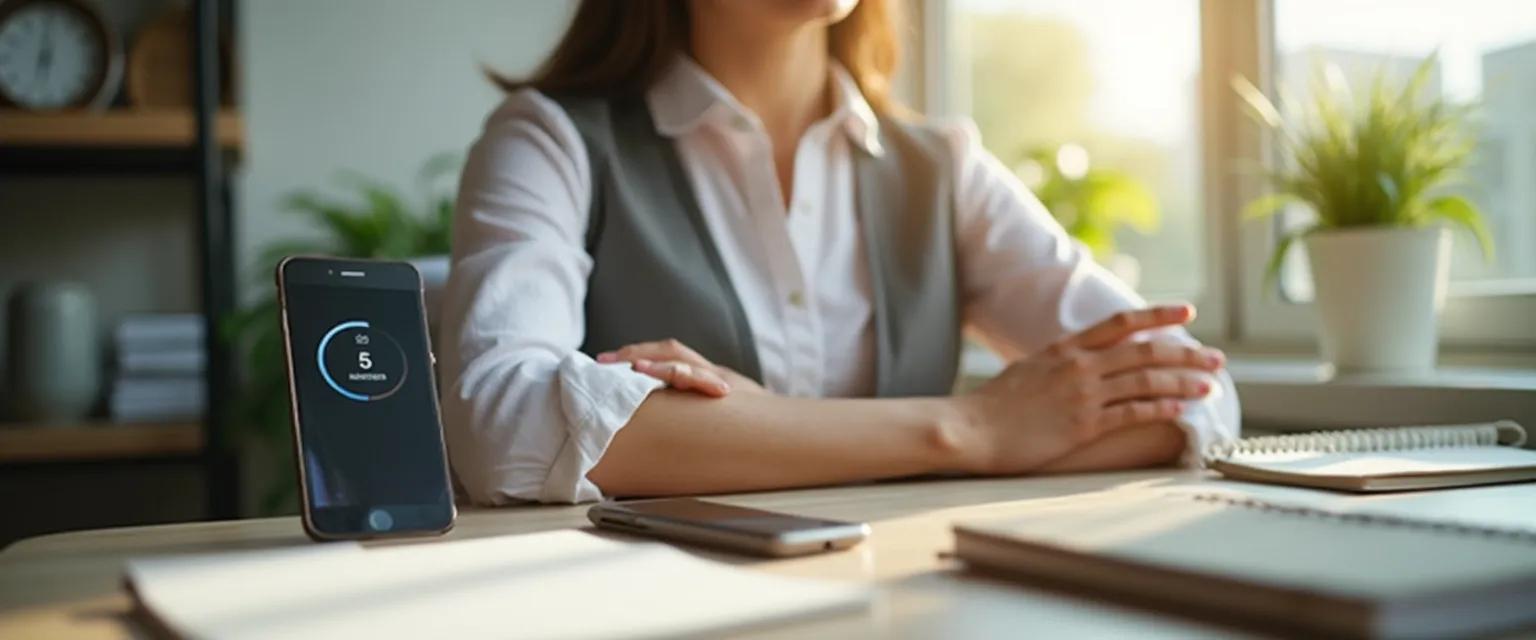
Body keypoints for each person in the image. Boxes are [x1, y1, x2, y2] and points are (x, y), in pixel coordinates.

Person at [441, 0, 1239, 505]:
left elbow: (1195, 396)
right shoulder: (549, 139)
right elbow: (499, 426)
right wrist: (970, 430)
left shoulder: (943, 169)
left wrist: (769, 428)